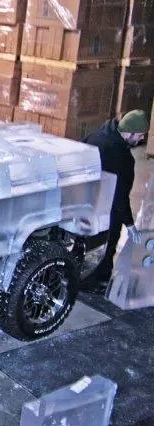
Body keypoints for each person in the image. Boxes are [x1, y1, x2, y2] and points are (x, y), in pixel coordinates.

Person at [82, 109, 149, 293]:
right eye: (140, 135)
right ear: (130, 132)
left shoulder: (98, 134)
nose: (141, 140)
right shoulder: (120, 156)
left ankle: (81, 276)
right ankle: (95, 282)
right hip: (106, 207)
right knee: (108, 242)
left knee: (86, 243)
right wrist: (129, 223)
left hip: (85, 200)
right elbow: (120, 194)